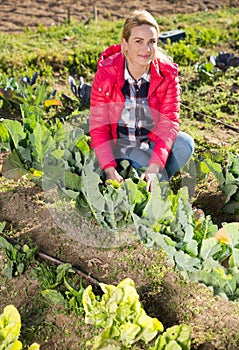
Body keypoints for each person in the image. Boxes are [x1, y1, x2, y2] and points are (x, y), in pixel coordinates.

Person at [89, 9, 194, 190]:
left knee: (184, 144)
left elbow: (168, 125)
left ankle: (153, 180)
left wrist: (153, 168)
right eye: (138, 41)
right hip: (118, 148)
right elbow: (99, 126)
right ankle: (134, 182)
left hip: (149, 147)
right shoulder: (106, 74)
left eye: (151, 42)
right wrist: (108, 169)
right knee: (91, 170)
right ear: (125, 44)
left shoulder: (167, 76)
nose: (146, 49)